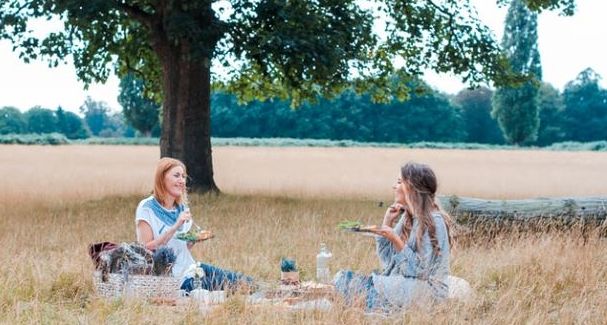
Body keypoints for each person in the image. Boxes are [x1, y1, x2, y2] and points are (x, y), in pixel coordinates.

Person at [334, 161, 455, 311]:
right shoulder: (408, 218)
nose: (394, 186)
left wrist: (396, 240)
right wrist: (387, 222)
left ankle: (374, 308)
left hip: (426, 292)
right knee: (342, 278)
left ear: (411, 188)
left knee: (350, 285)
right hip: (404, 286)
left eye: (399, 182)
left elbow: (421, 272)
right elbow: (387, 260)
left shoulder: (434, 221)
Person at [135, 157, 252, 292]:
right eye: (176, 176)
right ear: (162, 178)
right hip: (176, 281)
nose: (181, 181)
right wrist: (175, 226)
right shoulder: (147, 208)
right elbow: (145, 250)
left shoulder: (181, 207)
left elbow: (181, 248)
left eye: (183, 177)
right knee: (230, 286)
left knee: (243, 281)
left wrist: (193, 240)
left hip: (192, 268)